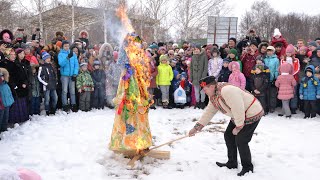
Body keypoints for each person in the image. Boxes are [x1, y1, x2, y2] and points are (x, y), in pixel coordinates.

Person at [189, 76, 264, 176]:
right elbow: (209, 112)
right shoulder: (213, 95)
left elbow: (238, 108)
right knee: (228, 135)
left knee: (241, 140)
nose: (203, 91)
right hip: (238, 115)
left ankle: (248, 167)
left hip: (251, 113)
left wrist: (238, 127)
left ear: (211, 86)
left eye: (205, 89)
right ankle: (232, 162)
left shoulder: (227, 91)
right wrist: (197, 127)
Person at [58, 40, 79, 112]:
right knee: (64, 91)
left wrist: (75, 74)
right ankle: (65, 105)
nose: (67, 47)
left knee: (72, 91)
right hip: (64, 76)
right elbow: (61, 64)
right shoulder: (60, 54)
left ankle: (73, 104)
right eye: (65, 46)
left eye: (67, 46)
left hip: (72, 75)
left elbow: (76, 65)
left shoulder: (73, 54)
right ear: (63, 47)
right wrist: (67, 58)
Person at [190, 44, 208, 109]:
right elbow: (191, 68)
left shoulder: (204, 56)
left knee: (203, 91)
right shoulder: (193, 57)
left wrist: (203, 77)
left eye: (197, 49)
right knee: (196, 91)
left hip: (202, 78)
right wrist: (191, 77)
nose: (196, 50)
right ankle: (197, 102)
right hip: (195, 78)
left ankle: (202, 102)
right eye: (195, 49)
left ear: (200, 49)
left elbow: (205, 67)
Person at [264, 46, 280, 113]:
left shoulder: (276, 59)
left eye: (271, 51)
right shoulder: (265, 59)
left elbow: (277, 69)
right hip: (265, 79)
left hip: (272, 78)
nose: (269, 52)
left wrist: (275, 78)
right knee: (266, 94)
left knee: (272, 94)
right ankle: (266, 106)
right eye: (268, 51)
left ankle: (272, 107)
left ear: (273, 51)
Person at [0, 68, 14, 134]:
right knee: (1, 118)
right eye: (0, 77)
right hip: (1, 105)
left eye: (3, 76)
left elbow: (9, 93)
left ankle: (4, 129)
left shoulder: (6, 84)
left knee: (6, 117)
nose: (2, 78)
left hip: (7, 104)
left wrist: (11, 100)